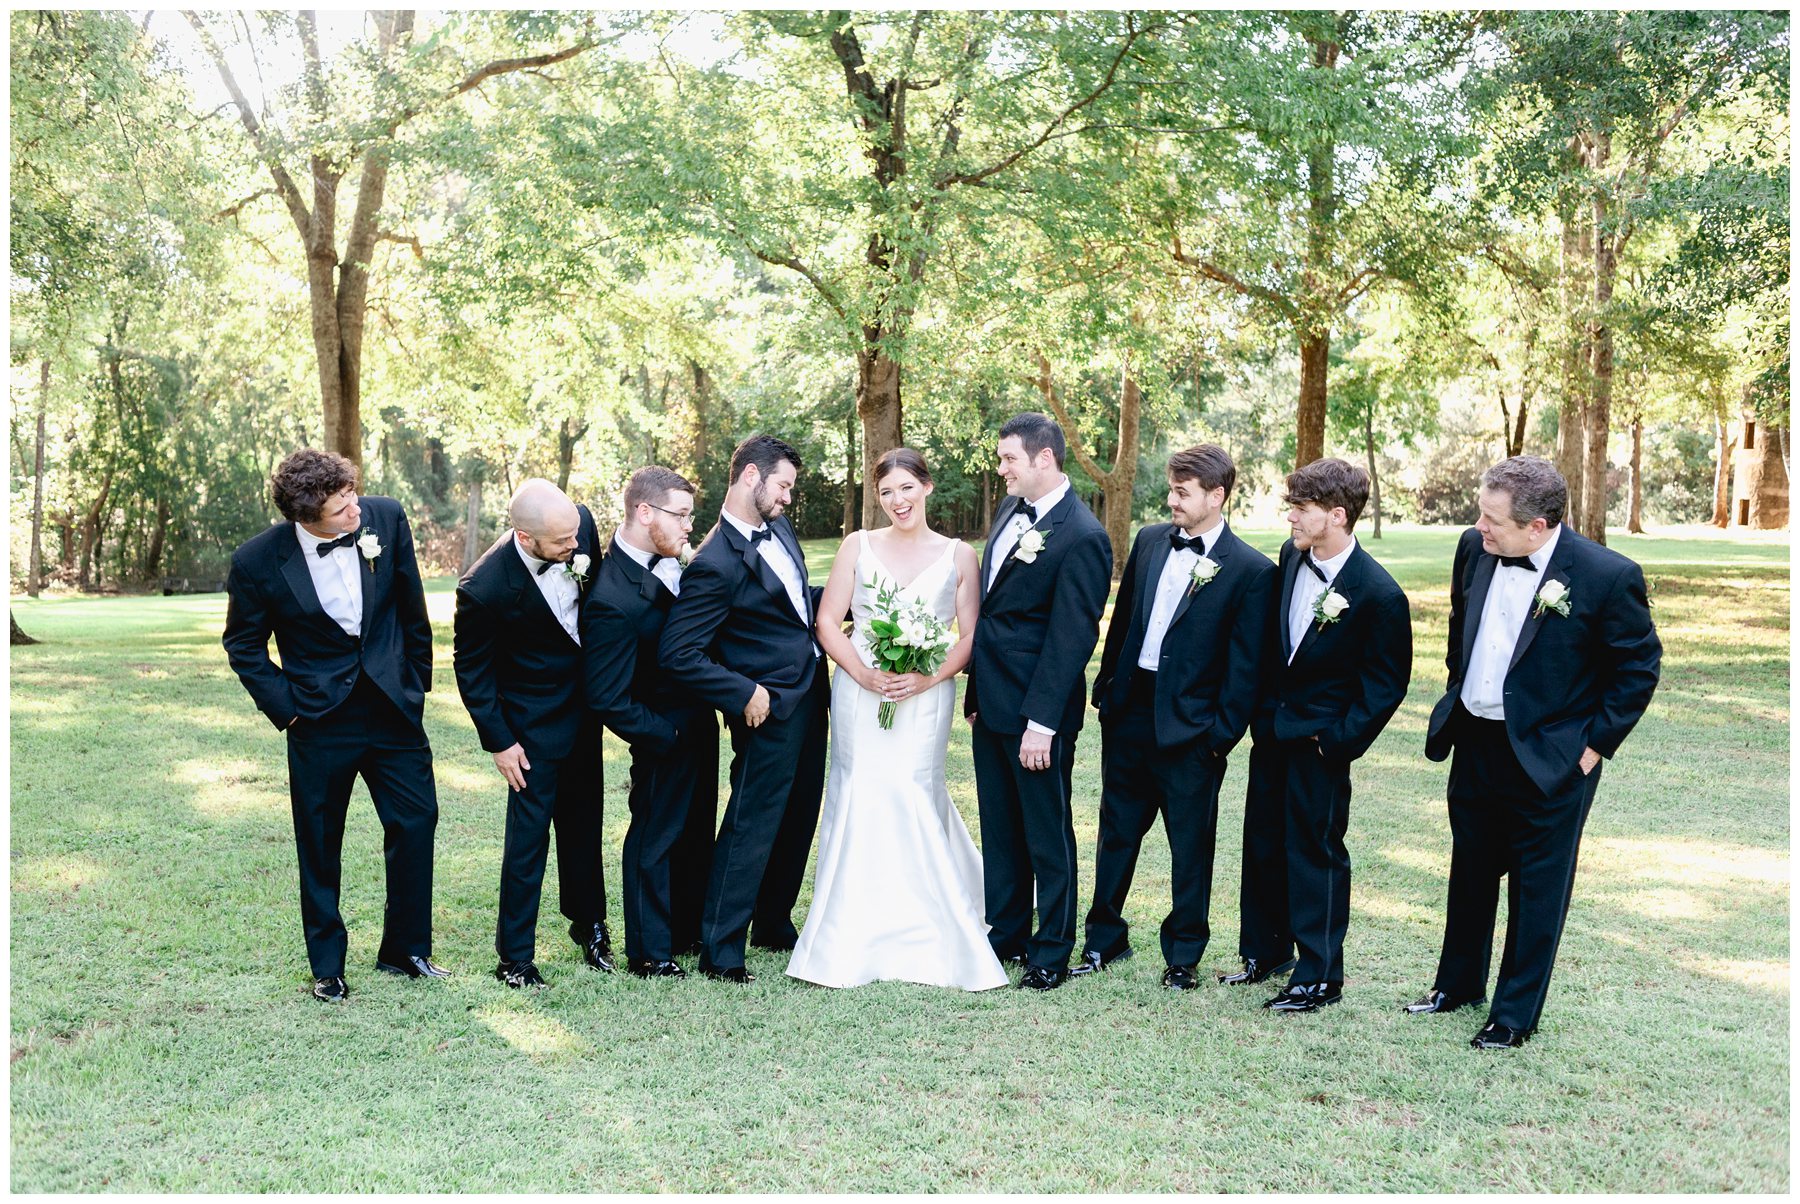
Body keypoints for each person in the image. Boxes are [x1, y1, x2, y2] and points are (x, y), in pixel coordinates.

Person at [1412, 456, 1660, 1049]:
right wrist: (1459, 693)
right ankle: (1456, 986)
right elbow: (1460, 629)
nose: (1480, 527)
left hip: (1553, 756)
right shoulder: (1473, 550)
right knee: (1470, 869)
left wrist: (1594, 746)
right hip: (1475, 737)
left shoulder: (1607, 576)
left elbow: (1638, 667)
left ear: (1539, 527)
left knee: (1536, 887)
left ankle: (1513, 1016)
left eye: (1493, 519)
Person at [222, 449, 445, 1002]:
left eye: (352, 494)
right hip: (319, 720)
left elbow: (412, 608)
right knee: (320, 842)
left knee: (417, 822)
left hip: (393, 709)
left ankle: (407, 951)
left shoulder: (387, 517)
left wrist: (416, 683)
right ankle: (328, 966)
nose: (354, 510)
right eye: (339, 506)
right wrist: (289, 707)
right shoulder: (256, 562)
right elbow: (243, 645)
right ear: (304, 516)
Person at [788, 448, 1004, 991]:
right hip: (861, 694)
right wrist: (862, 673)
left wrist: (927, 679)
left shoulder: (959, 556)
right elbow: (828, 623)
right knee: (859, 787)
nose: (897, 500)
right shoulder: (857, 546)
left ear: (927, 487)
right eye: (886, 492)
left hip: (926, 695)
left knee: (913, 789)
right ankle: (848, 930)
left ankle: (935, 922)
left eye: (907, 488)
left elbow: (971, 635)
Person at [1076, 445, 1276, 991]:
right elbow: (1126, 623)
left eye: (1183, 493)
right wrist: (1107, 692)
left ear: (1218, 496)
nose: (1172, 502)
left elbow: (1246, 668)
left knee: (1191, 846)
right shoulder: (1147, 542)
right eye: (1171, 490)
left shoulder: (1253, 571)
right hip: (1130, 713)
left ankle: (1183, 955)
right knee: (1116, 832)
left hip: (1193, 732)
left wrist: (1219, 736)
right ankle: (1103, 941)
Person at [1226, 458, 1411, 1013]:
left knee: (1315, 853)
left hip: (1320, 744)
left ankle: (1320, 975)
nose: (1290, 519)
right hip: (1273, 734)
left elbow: (1385, 687)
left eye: (1300, 510)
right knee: (1261, 841)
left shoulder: (1380, 594)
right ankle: (1266, 951)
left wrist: (1334, 742)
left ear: (1337, 516)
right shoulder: (1291, 557)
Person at [659, 434, 828, 982]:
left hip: (812, 693)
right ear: (751, 477)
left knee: (800, 812)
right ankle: (721, 947)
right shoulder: (713, 563)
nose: (787, 499)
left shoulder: (779, 527)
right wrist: (743, 693)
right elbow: (678, 654)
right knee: (752, 822)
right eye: (782, 486)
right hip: (766, 707)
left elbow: (794, 604)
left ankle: (772, 920)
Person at [965, 412, 1112, 990]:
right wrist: (977, 693)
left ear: (1044, 459)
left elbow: (1071, 639)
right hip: (991, 702)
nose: (1001, 469)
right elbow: (992, 616)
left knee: (1046, 832)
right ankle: (1004, 934)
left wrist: (1041, 724)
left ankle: (1051, 949)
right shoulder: (1009, 512)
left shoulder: (1083, 535)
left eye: (1008, 459)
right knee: (1000, 828)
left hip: (1036, 715)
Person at [453, 479, 609, 989]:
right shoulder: (483, 589)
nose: (576, 548)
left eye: (575, 537)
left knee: (585, 829)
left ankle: (590, 927)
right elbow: (472, 672)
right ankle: (514, 959)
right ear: (524, 537)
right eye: (563, 544)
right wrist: (499, 741)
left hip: (585, 716)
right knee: (527, 842)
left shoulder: (576, 525)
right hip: (530, 732)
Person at [582, 466, 719, 979]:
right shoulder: (611, 596)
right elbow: (607, 696)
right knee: (655, 838)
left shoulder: (669, 561)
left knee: (694, 832)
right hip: (662, 732)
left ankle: (685, 929)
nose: (689, 526)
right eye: (681, 515)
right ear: (645, 513)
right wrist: (668, 736)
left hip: (698, 724)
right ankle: (650, 951)